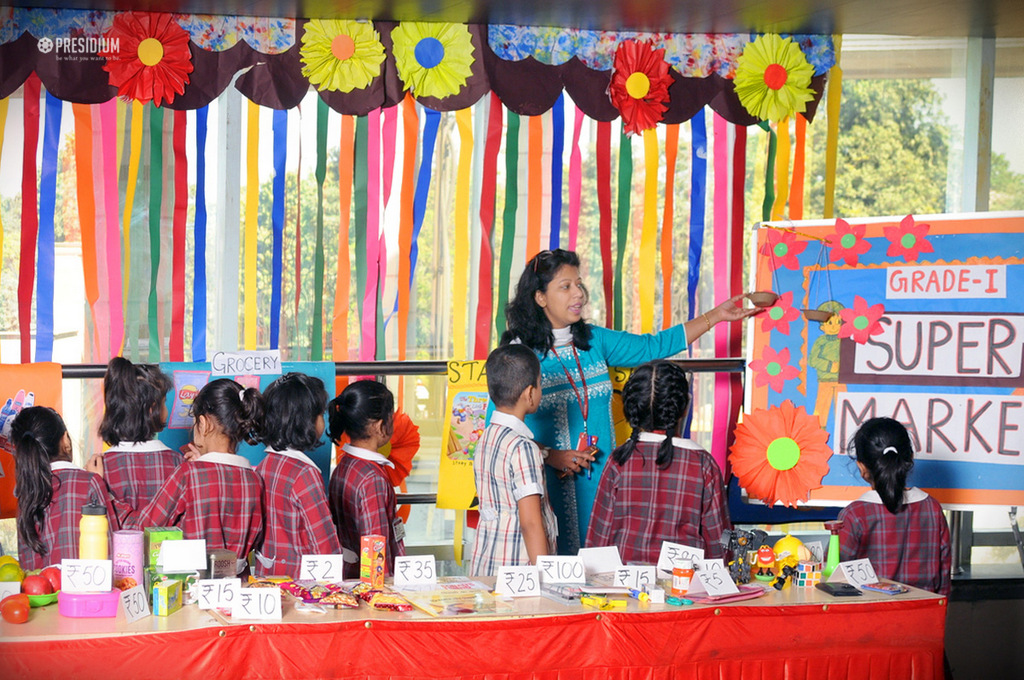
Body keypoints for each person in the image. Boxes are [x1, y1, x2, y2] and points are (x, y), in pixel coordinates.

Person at [502, 248, 758, 552]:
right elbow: (501, 430)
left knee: (603, 579)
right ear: (540, 297)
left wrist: (716, 316)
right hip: (545, 488)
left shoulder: (595, 341)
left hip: (603, 485)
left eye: (579, 284)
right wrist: (549, 455)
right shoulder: (519, 356)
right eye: (566, 286)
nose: (579, 294)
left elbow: (655, 345)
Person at [585, 360, 729, 563]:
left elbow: (598, 539)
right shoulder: (704, 464)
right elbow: (718, 542)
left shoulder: (619, 460)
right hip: (684, 586)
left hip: (624, 587)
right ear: (684, 407)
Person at [128, 379, 265, 574]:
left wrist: (108, 498)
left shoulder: (188, 475)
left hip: (192, 589)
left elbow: (144, 527)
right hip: (236, 587)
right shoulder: (254, 480)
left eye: (194, 420)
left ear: (204, 423)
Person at [468, 345, 557, 576]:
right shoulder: (524, 448)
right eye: (539, 385)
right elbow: (531, 523)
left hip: (488, 564)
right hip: (520, 573)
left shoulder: (486, 437)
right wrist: (544, 578)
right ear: (529, 393)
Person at [839, 417, 951, 595]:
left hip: (872, 618)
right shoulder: (932, 509)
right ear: (909, 459)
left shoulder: (855, 514)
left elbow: (834, 578)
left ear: (861, 467)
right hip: (925, 616)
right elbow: (943, 580)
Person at [254, 373, 342, 578]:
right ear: (307, 421)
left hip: (267, 580)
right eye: (321, 414)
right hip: (303, 588)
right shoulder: (304, 474)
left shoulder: (264, 466)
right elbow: (325, 546)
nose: (323, 421)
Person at [11, 406, 119, 570]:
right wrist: (98, 482)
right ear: (66, 441)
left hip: (38, 595)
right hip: (83, 594)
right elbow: (112, 552)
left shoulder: (26, 494)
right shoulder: (90, 482)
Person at [327, 379, 404, 579]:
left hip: (349, 575)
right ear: (380, 426)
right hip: (372, 584)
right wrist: (382, 597)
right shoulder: (373, 479)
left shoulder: (343, 466)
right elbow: (375, 549)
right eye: (392, 417)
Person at [92, 357, 182, 523]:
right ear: (151, 410)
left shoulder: (99, 467)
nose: (166, 409)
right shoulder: (178, 464)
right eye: (164, 403)